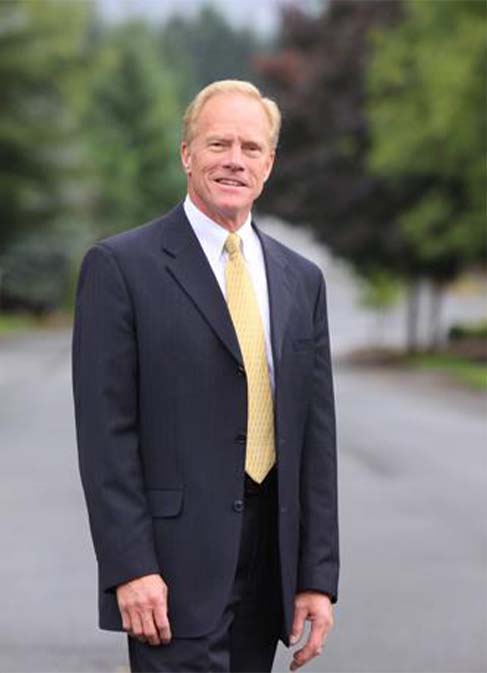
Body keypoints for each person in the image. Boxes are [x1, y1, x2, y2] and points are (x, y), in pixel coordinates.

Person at [72, 79, 339, 673]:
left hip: (271, 569)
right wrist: (130, 566)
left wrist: (316, 578)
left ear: (269, 164)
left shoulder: (302, 280)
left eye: (251, 148)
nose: (234, 161)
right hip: (169, 573)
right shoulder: (121, 268)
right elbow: (104, 437)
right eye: (219, 144)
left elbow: (315, 440)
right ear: (187, 153)